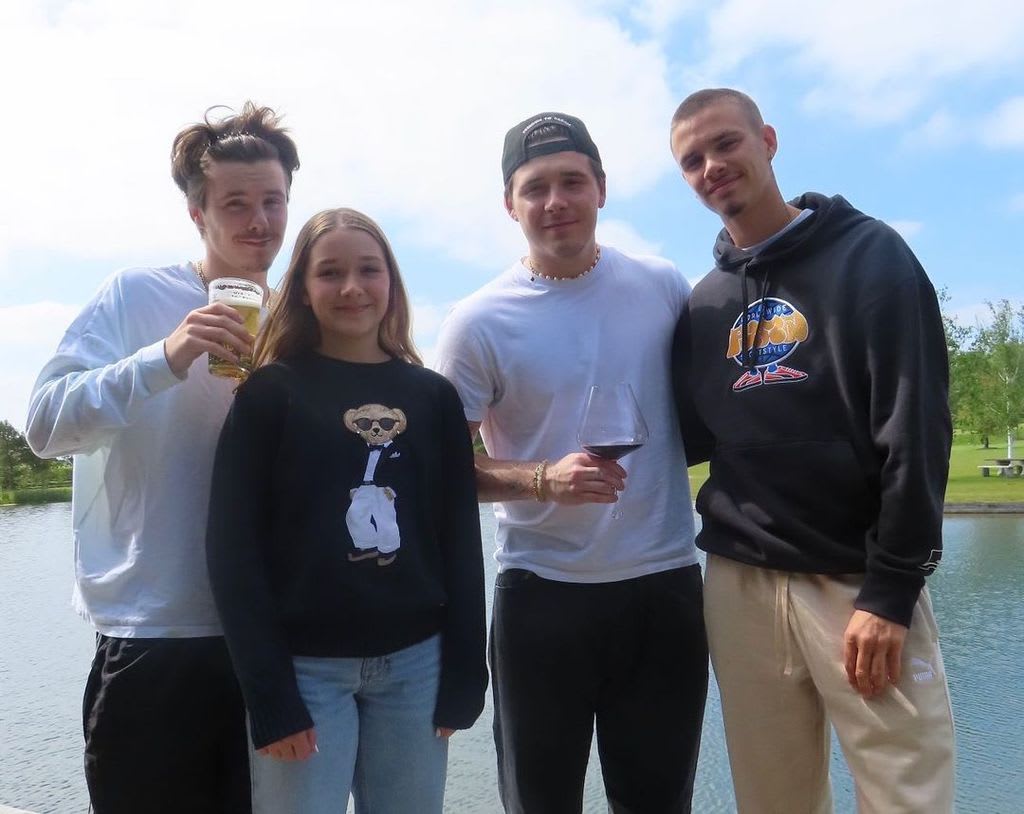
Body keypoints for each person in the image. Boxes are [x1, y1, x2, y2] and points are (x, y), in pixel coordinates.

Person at [668, 88, 955, 813]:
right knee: (773, 798)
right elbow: (687, 437)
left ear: (767, 139)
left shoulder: (871, 257)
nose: (712, 166)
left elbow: (915, 429)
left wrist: (891, 590)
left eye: (726, 143)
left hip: (855, 581)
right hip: (738, 582)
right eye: (692, 160)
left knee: (906, 792)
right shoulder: (704, 304)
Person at [24, 102, 300, 813]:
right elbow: (45, 427)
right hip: (153, 634)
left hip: (271, 644)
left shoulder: (300, 320)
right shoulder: (135, 295)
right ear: (196, 213)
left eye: (272, 201)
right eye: (235, 203)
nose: (258, 221)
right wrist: (165, 357)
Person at [435, 112, 708, 814]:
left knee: (658, 802)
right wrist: (541, 478)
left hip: (663, 588)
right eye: (535, 188)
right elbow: (439, 470)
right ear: (510, 204)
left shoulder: (663, 287)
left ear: (602, 189)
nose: (555, 201)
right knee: (539, 801)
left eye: (571, 182)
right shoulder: (478, 320)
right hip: (541, 595)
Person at [205, 207, 487, 814]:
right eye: (330, 273)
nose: (352, 288)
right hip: (305, 672)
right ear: (303, 290)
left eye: (369, 270)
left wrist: (467, 673)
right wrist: (270, 696)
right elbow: (232, 550)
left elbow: (460, 539)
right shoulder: (269, 393)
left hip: (418, 668)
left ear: (392, 283)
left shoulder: (433, 397)